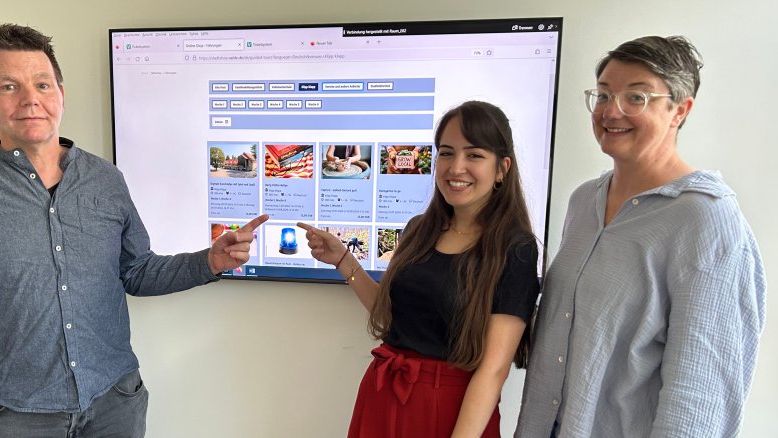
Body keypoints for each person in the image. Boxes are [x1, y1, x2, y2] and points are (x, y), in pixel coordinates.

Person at [0, 24, 267, 438]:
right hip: (14, 415)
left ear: (61, 95)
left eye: (42, 85)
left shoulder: (106, 179)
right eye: (10, 87)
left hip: (114, 403)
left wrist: (208, 261)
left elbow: (136, 271)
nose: (31, 99)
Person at [516, 36, 766, 437]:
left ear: (679, 110)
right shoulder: (585, 201)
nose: (611, 111)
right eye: (603, 95)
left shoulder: (705, 219)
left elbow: (701, 396)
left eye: (636, 97)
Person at [300, 101, 541, 437]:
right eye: (447, 153)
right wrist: (344, 260)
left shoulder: (515, 248)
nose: (456, 167)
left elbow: (493, 370)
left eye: (474, 155)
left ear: (502, 168)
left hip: (452, 410)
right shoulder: (419, 229)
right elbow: (391, 315)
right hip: (383, 393)